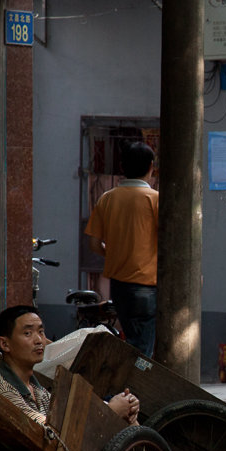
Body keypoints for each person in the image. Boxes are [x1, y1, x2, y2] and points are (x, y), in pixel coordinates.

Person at [0, 305, 139, 426]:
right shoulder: (2, 388)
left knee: (127, 422)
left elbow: (62, 417)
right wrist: (110, 412)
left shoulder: (36, 388)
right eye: (28, 333)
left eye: (41, 331)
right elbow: (47, 432)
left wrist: (123, 407)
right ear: (4, 344)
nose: (39, 340)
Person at [84, 140, 159, 358]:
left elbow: (94, 244)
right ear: (151, 167)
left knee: (132, 342)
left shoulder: (107, 198)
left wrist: (117, 253)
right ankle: (132, 389)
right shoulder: (155, 200)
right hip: (147, 285)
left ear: (123, 168)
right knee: (143, 350)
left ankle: (127, 388)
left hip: (118, 286)